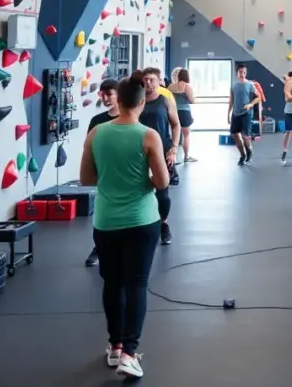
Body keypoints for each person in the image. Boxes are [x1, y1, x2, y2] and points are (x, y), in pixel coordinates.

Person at [80, 72, 170, 379]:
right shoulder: (148, 135)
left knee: (112, 283)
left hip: (106, 222)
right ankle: (130, 354)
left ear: (118, 101)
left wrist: (113, 179)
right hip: (141, 221)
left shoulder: (96, 133)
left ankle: (115, 346)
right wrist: (140, 180)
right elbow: (162, 182)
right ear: (142, 103)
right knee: (136, 285)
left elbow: (86, 179)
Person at [138, 69, 181, 245]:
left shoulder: (165, 100)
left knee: (162, 193)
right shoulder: (136, 101)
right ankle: (140, 225)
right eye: (146, 80)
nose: (148, 83)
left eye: (152, 80)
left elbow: (176, 125)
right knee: (139, 190)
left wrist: (174, 148)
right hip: (139, 150)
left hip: (162, 150)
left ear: (159, 81)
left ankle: (164, 224)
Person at [84, 80, 121, 267]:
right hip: (104, 175)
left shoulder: (131, 119)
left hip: (127, 174)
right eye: (102, 95)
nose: (105, 98)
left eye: (109, 94)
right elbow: (89, 150)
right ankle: (99, 248)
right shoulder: (97, 121)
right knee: (102, 214)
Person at [227, 63, 261, 166]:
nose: (242, 74)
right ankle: (242, 155)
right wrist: (228, 114)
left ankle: (249, 151)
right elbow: (231, 101)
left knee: (245, 136)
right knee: (235, 134)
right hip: (236, 113)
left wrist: (250, 104)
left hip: (246, 113)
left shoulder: (250, 84)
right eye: (240, 72)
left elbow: (258, 97)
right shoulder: (233, 85)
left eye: (244, 72)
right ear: (237, 73)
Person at [167, 69, 197, 164]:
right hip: (184, 112)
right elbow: (192, 101)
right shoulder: (187, 86)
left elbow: (167, 98)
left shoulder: (171, 86)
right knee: (186, 135)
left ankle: (172, 157)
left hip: (173, 111)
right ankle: (186, 156)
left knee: (173, 135)